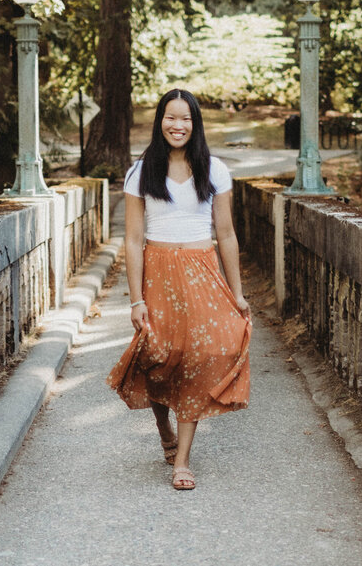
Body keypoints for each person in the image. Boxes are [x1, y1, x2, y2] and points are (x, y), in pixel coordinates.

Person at [106, 88, 252, 491]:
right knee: (157, 357)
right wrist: (135, 299)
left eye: (186, 118)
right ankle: (162, 426)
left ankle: (183, 460)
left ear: (195, 123)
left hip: (202, 270)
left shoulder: (214, 169)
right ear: (160, 121)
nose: (178, 125)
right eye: (171, 117)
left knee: (197, 358)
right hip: (158, 271)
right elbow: (133, 240)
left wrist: (236, 293)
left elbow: (226, 234)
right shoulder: (141, 172)